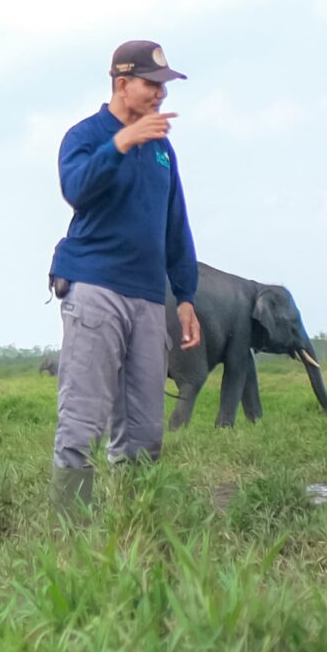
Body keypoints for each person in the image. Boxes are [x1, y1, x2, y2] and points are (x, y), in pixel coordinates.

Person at [47, 39, 202, 506]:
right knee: (82, 423)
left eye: (164, 86)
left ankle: (134, 528)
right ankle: (69, 539)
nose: (161, 94)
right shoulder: (86, 136)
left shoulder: (162, 151)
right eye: (152, 84)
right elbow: (76, 189)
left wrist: (186, 293)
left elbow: (174, 223)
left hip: (149, 298)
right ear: (121, 84)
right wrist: (120, 142)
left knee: (145, 431)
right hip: (95, 290)